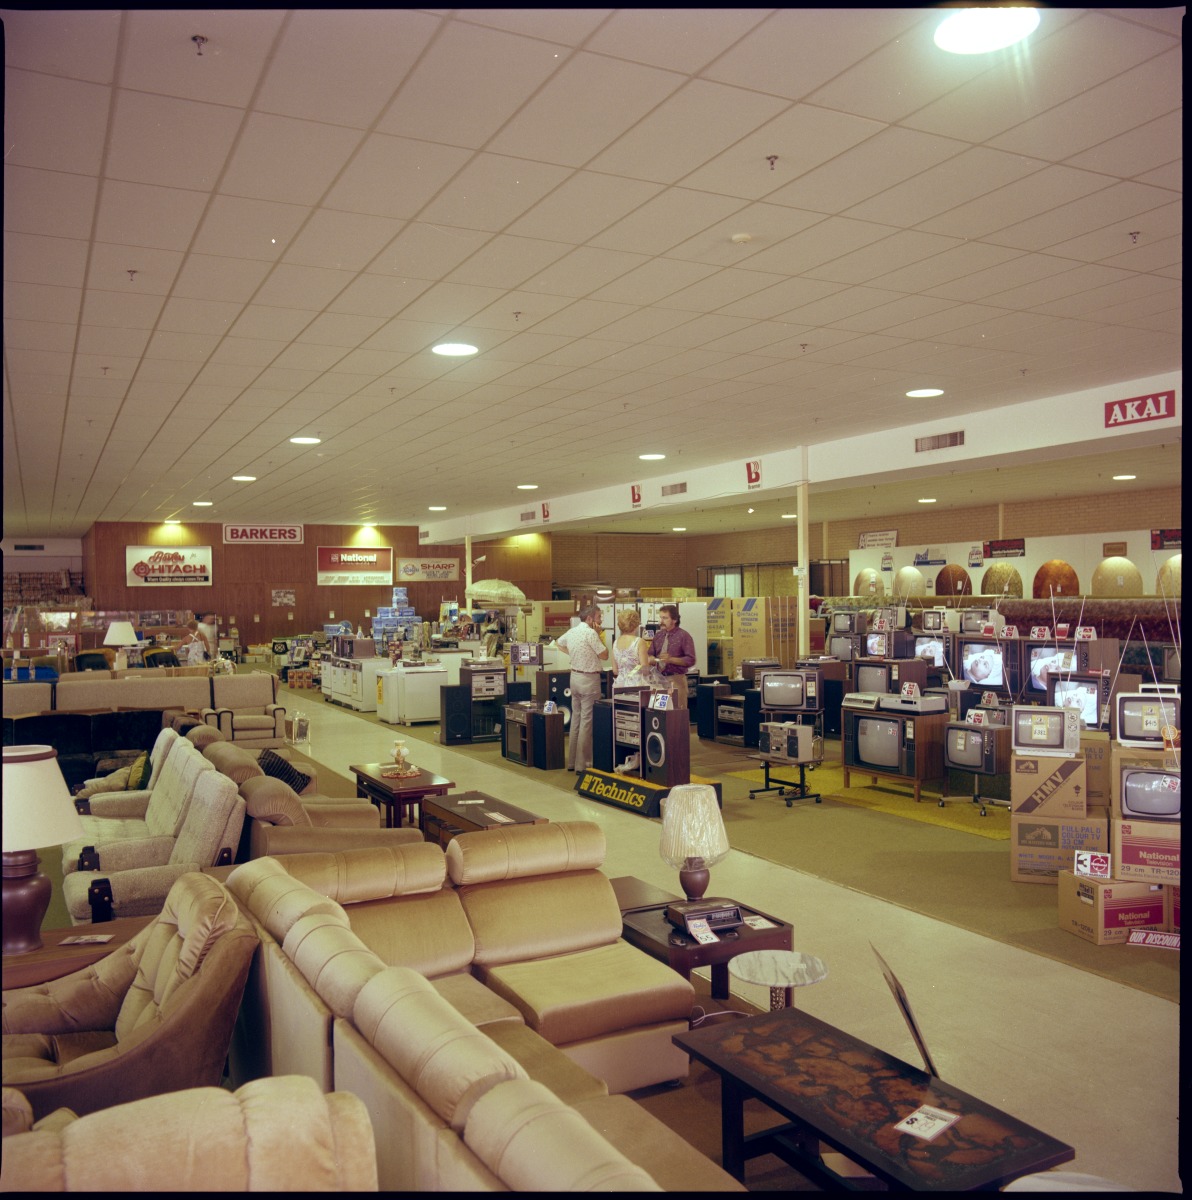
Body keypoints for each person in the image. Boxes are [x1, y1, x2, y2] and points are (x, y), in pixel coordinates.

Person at [555, 605, 608, 772]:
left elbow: (558, 643)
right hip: (589, 680)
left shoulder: (572, 632)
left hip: (575, 678)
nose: (601, 620)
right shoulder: (591, 633)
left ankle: (572, 762)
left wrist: (573, 654)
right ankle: (582, 764)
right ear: (590, 619)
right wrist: (598, 635)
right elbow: (605, 655)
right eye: (599, 617)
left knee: (576, 720)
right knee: (587, 722)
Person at [648, 604, 695, 709]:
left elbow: (691, 659)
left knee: (677, 712)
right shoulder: (658, 635)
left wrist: (671, 660)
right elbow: (650, 653)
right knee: (660, 713)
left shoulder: (684, 636)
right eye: (661, 617)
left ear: (674, 620)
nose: (661, 621)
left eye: (665, 618)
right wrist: (650, 658)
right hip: (659, 680)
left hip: (676, 680)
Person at [610, 609, 658, 690]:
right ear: (636, 624)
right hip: (636, 685)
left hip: (620, 685)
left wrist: (627, 674)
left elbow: (615, 670)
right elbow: (645, 670)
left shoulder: (615, 642)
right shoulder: (639, 642)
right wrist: (650, 661)